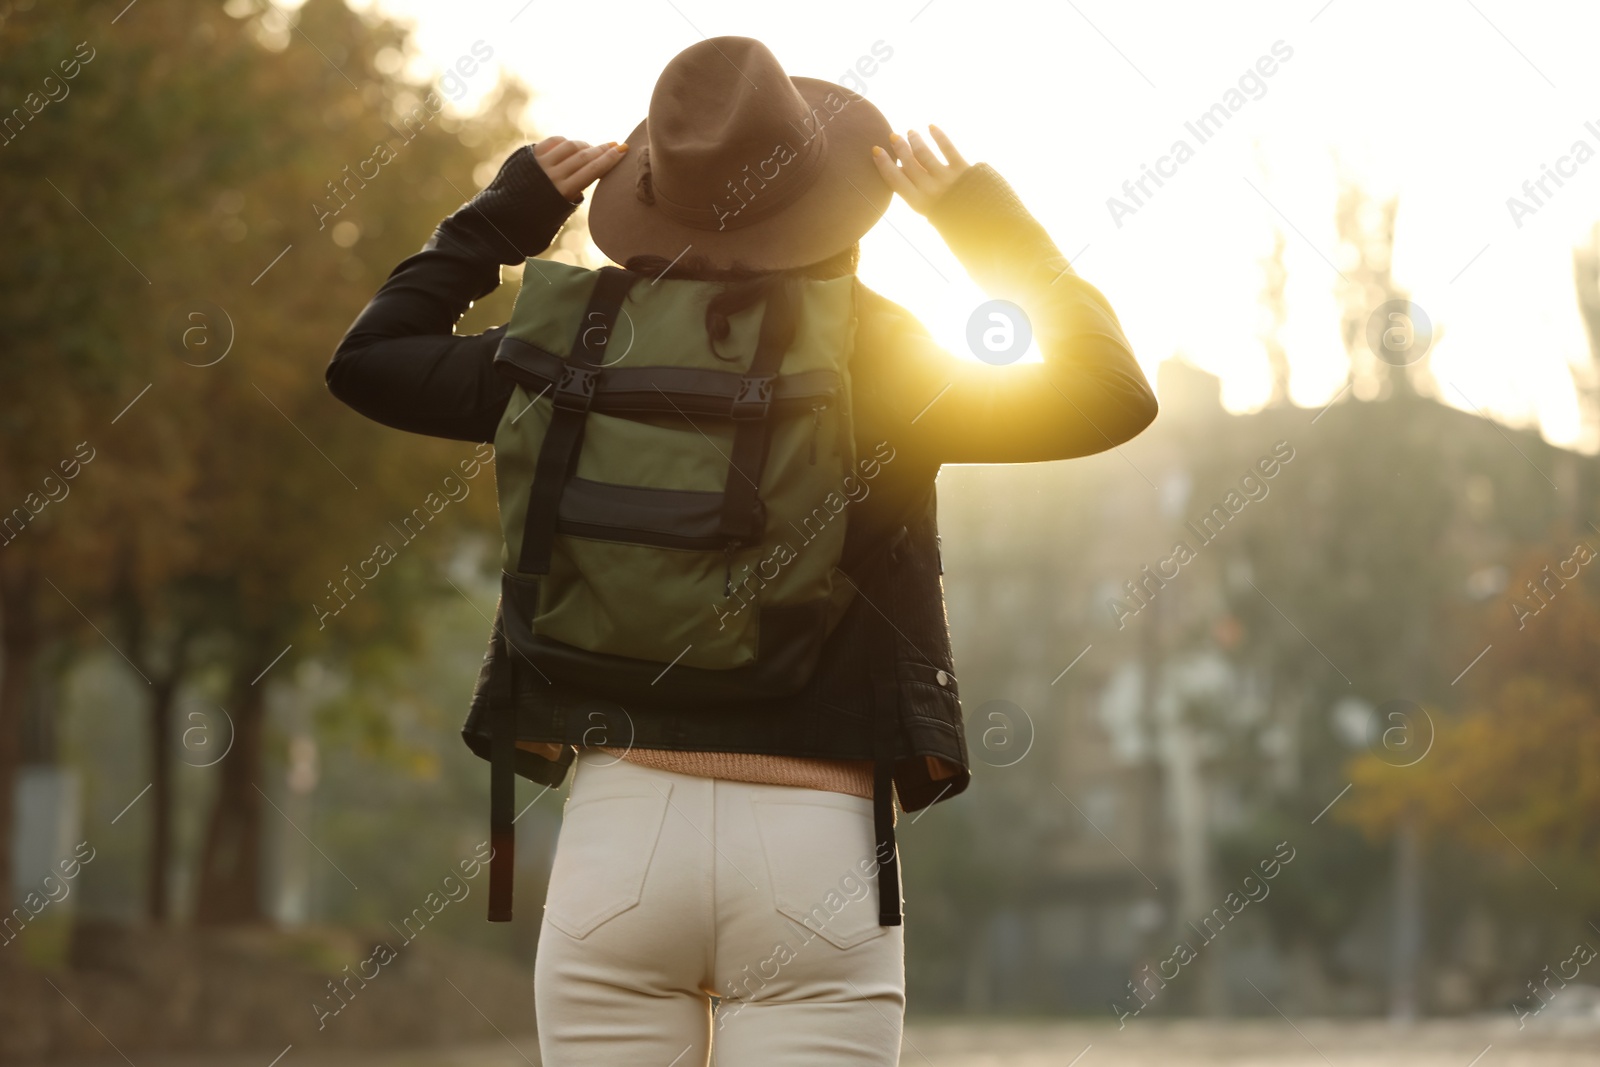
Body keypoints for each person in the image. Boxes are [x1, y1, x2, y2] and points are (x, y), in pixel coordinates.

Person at [327, 35, 1156, 1067]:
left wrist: (505, 214)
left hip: (616, 843)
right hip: (816, 853)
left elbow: (368, 360)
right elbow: (1108, 390)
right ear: (829, 199)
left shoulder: (564, 347)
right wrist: (980, 226)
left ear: (654, 192)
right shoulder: (877, 354)